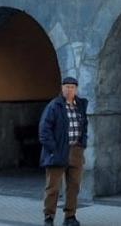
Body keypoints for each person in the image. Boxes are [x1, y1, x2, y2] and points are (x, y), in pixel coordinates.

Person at [39, 76, 88, 226]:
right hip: (58, 151)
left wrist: (82, 143)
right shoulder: (54, 106)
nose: (69, 90)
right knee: (53, 187)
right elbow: (44, 131)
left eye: (72, 87)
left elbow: (84, 126)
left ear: (76, 89)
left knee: (74, 186)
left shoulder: (80, 105)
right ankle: (49, 217)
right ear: (62, 88)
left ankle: (70, 216)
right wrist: (53, 150)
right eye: (66, 87)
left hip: (76, 151)